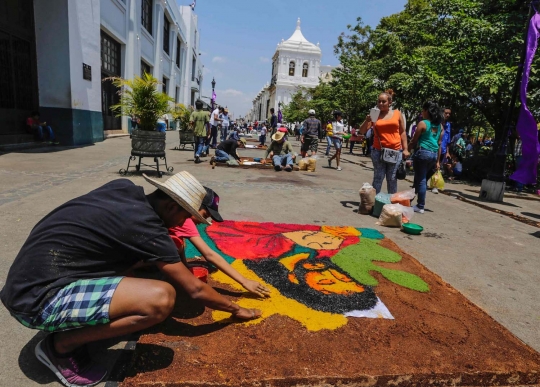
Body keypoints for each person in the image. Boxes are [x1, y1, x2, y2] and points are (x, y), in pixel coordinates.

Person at [0, 171, 260, 387]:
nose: (187, 222)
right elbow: (193, 289)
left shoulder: (123, 189)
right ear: (171, 206)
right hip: (36, 301)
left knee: (155, 268)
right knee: (160, 299)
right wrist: (237, 308)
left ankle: (73, 327)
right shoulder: (147, 228)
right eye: (186, 215)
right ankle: (60, 346)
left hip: (27, 281)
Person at [169, 187, 271, 298]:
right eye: (204, 215)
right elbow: (209, 254)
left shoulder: (173, 212)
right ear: (194, 205)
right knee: (175, 242)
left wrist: (185, 265)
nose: (202, 221)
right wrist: (244, 281)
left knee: (177, 241)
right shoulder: (186, 221)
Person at [359, 89, 409, 194]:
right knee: (378, 177)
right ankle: (374, 203)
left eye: (383, 101)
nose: (380, 104)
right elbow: (362, 131)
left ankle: (391, 205)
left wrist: (405, 149)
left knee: (392, 179)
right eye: (379, 101)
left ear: (390, 102)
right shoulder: (374, 115)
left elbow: (402, 132)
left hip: (395, 151)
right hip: (378, 151)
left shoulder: (397, 113)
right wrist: (367, 120)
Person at [407, 101, 443, 214]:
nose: (422, 112)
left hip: (423, 153)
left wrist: (407, 150)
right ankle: (409, 201)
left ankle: (420, 205)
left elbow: (414, 140)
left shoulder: (423, 123)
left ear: (427, 111)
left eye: (423, 110)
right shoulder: (439, 126)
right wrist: (437, 161)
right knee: (419, 179)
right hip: (433, 154)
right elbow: (439, 144)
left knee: (421, 180)